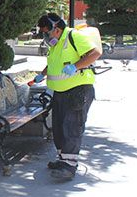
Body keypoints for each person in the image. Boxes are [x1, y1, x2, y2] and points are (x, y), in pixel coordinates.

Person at [31, 13, 101, 179]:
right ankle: (63, 159)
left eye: (46, 31)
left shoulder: (73, 36)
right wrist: (41, 75)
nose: (45, 35)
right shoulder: (56, 45)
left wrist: (75, 67)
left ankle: (69, 166)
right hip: (60, 92)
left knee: (72, 127)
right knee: (59, 127)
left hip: (78, 90)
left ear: (57, 28)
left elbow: (95, 53)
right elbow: (53, 65)